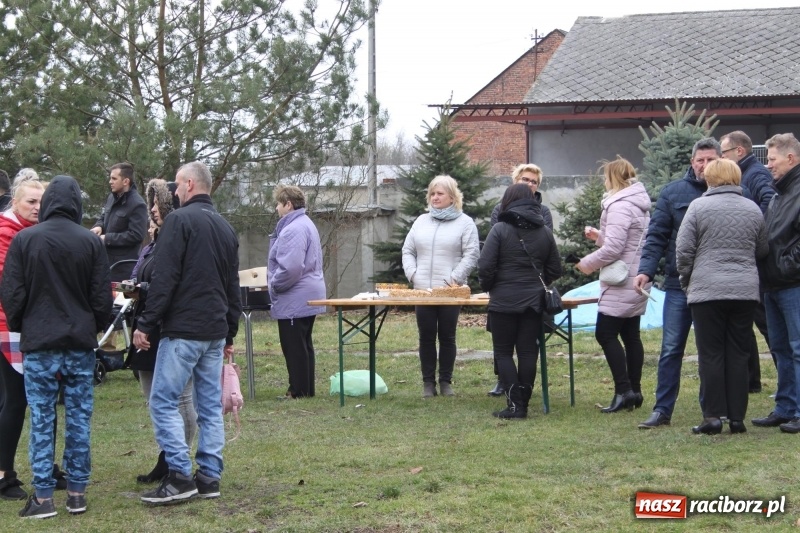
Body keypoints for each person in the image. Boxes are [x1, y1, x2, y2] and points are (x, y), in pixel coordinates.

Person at [0, 175, 111, 518]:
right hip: (79, 343)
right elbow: (102, 298)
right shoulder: (90, 242)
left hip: (40, 343)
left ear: (48, 203)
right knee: (79, 417)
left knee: (41, 417)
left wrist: (24, 325)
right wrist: (91, 325)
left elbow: (12, 294)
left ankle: (44, 497)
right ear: (76, 203)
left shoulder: (26, 240)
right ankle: (77, 493)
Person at [133, 161, 241, 505]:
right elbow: (232, 285)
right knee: (209, 406)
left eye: (177, 185)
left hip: (183, 330)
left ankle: (179, 475)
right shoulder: (225, 227)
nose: (175, 192)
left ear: (190, 184)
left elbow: (165, 278)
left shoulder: (178, 221)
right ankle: (209, 476)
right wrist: (230, 332)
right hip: (214, 331)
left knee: (162, 400)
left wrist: (146, 323)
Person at [675, 159, 767, 435]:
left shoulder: (698, 207)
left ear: (710, 178)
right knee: (739, 353)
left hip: (707, 290)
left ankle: (713, 416)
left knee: (711, 354)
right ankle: (737, 418)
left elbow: (684, 250)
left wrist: (687, 281)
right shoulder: (752, 209)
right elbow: (762, 249)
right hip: (744, 290)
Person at [635, 137, 720, 429]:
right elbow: (656, 235)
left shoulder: (733, 192)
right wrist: (646, 271)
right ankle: (662, 410)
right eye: (700, 160)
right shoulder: (673, 192)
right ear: (692, 162)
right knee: (671, 348)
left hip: (715, 285)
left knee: (711, 350)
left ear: (720, 161)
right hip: (678, 284)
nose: (705, 166)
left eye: (711, 160)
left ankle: (713, 411)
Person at [125, 179, 197, 483]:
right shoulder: (152, 244)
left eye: (157, 204)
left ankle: (178, 458)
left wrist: (148, 291)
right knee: (152, 396)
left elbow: (175, 284)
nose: (152, 210)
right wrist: (135, 288)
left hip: (172, 326)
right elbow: (141, 274)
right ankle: (165, 453)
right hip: (147, 324)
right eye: (151, 204)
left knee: (180, 397)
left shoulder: (181, 240)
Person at [478, 183, 561, 418]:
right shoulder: (544, 232)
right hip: (533, 301)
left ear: (508, 201)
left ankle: (515, 405)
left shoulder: (500, 229)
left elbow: (485, 266)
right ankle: (522, 402)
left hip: (503, 299)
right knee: (527, 352)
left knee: (503, 352)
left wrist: (490, 286)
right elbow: (555, 268)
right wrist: (537, 282)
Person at [575, 157, 650, 413]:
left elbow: (615, 248)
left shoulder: (618, 204)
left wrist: (586, 263)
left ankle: (623, 390)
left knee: (605, 334)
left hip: (621, 279)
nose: (604, 182)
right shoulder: (638, 202)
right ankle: (635, 391)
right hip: (637, 276)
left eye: (605, 177)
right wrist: (600, 237)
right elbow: (628, 241)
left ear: (613, 178)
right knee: (631, 335)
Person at [402, 175, 480, 398]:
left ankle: (445, 381)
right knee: (426, 337)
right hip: (423, 291)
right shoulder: (421, 221)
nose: (435, 198)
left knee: (447, 337)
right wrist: (413, 274)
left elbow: (472, 253)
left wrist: (455, 278)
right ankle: (428, 383)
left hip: (450, 292)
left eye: (440, 194)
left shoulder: (465, 223)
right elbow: (408, 250)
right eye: (432, 194)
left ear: (452, 197)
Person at [487, 163, 553, 397]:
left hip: (530, 289)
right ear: (515, 181)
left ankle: (519, 394)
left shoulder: (543, 213)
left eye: (534, 181)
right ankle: (505, 382)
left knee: (524, 347)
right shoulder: (499, 211)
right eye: (525, 180)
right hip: (506, 287)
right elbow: (493, 249)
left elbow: (546, 252)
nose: (529, 184)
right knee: (503, 344)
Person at [720, 130, 777, 393]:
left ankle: (788, 386)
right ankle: (753, 381)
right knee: (751, 323)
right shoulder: (745, 173)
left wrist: (753, 235)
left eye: (724, 153)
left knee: (769, 327)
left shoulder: (755, 174)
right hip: (750, 264)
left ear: (739, 151)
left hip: (759, 262)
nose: (721, 158)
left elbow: (770, 202)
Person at [0, 177, 46, 501]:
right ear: (14, 202)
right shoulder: (6, 233)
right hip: (9, 327)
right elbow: (11, 286)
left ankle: (44, 468)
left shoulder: (33, 232)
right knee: (15, 401)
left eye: (41, 202)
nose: (37, 207)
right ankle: (4, 475)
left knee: (30, 400)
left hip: (30, 325)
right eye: (31, 202)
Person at [752, 133, 800, 433]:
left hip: (792, 284)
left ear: (790, 158)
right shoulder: (779, 193)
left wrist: (787, 265)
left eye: (772, 159)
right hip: (772, 284)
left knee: (798, 348)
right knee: (781, 349)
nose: (768, 165)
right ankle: (785, 407)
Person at [268, 185, 326, 399]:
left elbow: (291, 268)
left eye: (278, 203)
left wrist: (274, 284)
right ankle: (306, 390)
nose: (276, 208)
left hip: (295, 295)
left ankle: (297, 391)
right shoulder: (306, 223)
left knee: (294, 345)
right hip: (308, 292)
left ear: (288, 204)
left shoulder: (293, 229)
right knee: (303, 343)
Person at [91, 162, 148, 282]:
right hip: (104, 264)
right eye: (110, 178)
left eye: (114, 178)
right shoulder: (111, 198)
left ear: (126, 181)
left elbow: (136, 235)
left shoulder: (138, 204)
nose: (110, 182)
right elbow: (104, 216)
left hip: (122, 270)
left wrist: (107, 238)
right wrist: (99, 226)